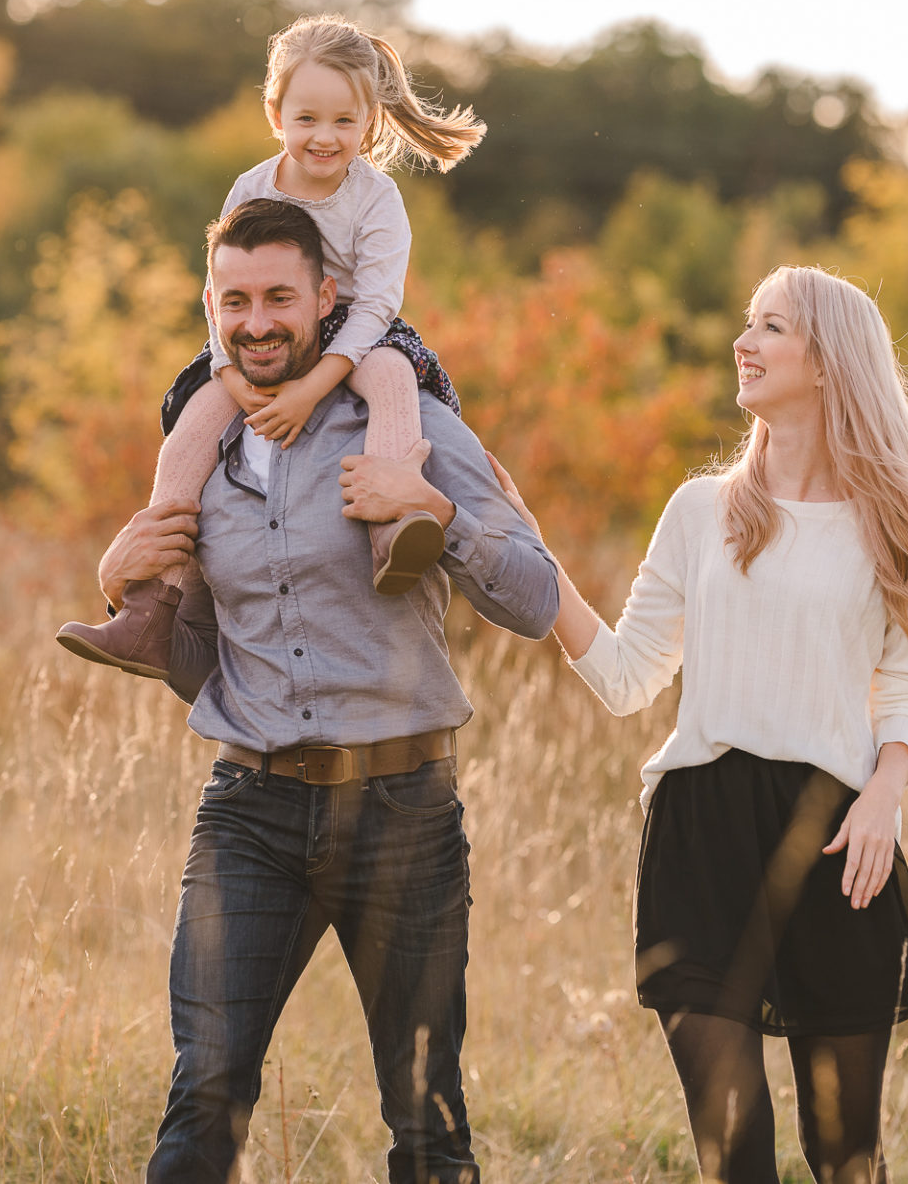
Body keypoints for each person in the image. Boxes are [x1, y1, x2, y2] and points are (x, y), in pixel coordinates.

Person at [96, 196, 557, 1184]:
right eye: (234, 301)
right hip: (250, 810)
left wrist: (432, 509)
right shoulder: (202, 447)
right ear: (210, 308)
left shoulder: (410, 423)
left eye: (278, 297)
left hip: (404, 810)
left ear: (327, 298)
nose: (256, 321)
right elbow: (201, 662)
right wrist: (118, 576)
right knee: (206, 1091)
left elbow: (536, 595)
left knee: (426, 1115)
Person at [490, 266, 908, 1184]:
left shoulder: (899, 527)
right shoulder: (701, 511)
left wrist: (884, 796)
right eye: (747, 322)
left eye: (771, 327)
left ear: (829, 363)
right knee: (734, 1154)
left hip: (836, 845)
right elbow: (629, 678)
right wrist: (535, 560)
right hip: (699, 837)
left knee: (846, 1157)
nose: (743, 342)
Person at [57, 13, 484, 677]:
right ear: (275, 111)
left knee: (396, 378)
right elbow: (221, 294)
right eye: (306, 118)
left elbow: (375, 304)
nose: (324, 137)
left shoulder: (376, 197)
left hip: (353, 330)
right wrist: (233, 382)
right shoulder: (251, 188)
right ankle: (152, 604)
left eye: (345, 122)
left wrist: (312, 388)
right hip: (261, 331)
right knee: (190, 431)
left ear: (370, 119)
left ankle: (392, 525)